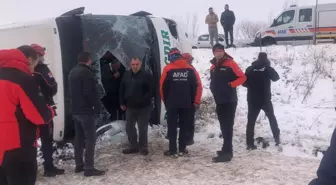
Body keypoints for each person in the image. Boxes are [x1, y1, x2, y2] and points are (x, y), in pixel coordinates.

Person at [0, 46, 55, 185]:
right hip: (18, 148)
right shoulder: (22, 79)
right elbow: (40, 116)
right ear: (29, 61)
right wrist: (50, 110)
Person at [160, 48, 202, 157]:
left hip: (172, 103)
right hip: (186, 103)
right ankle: (182, 148)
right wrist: (194, 101)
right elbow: (197, 86)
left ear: (171, 57)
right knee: (184, 126)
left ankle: (173, 150)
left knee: (172, 126)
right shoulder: (190, 69)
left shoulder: (168, 69)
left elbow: (162, 87)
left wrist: (166, 101)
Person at [68, 52, 105, 177]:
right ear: (89, 60)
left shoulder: (72, 72)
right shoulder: (87, 73)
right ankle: (89, 168)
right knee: (90, 139)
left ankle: (79, 165)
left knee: (78, 139)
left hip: (75, 110)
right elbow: (89, 92)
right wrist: (96, 106)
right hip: (86, 111)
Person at [31, 44, 65, 177]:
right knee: (47, 140)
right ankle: (49, 168)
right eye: (42, 54)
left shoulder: (24, 70)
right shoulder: (41, 70)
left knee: (31, 141)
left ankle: (32, 169)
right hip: (45, 110)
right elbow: (52, 86)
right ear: (38, 56)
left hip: (30, 110)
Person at [209, 43, 246, 162]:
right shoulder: (213, 67)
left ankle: (228, 153)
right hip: (219, 100)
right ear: (213, 53)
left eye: (220, 51)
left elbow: (242, 77)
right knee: (223, 126)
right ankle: (225, 148)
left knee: (228, 126)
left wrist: (231, 85)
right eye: (216, 51)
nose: (218, 53)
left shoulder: (231, 63)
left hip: (229, 100)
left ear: (223, 52)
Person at [243, 52, 281, 149]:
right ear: (266, 59)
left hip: (252, 99)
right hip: (265, 99)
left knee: (251, 121)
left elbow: (243, 82)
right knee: (272, 119)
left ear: (258, 58)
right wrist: (268, 68)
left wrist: (252, 86)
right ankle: (277, 139)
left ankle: (249, 143)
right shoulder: (267, 69)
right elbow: (276, 78)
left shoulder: (250, 68)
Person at [119, 57, 153, 155]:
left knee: (142, 127)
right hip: (130, 106)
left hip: (143, 107)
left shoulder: (146, 75)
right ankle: (133, 146)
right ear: (130, 65)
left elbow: (151, 91)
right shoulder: (126, 74)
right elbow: (121, 88)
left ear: (140, 64)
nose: (135, 66)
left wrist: (143, 99)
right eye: (133, 64)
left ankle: (143, 147)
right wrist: (121, 102)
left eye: (136, 64)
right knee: (129, 127)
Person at [182, 53, 202, 146]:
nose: (190, 61)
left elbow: (199, 86)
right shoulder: (184, 69)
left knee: (189, 120)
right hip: (186, 100)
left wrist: (196, 101)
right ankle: (185, 137)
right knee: (185, 120)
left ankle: (189, 138)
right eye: (190, 59)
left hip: (191, 101)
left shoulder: (192, 70)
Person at [101, 51, 126, 121]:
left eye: (119, 66)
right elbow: (105, 81)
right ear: (113, 65)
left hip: (119, 96)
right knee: (112, 113)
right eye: (117, 66)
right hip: (109, 96)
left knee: (120, 113)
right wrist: (113, 77)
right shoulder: (105, 68)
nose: (118, 67)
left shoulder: (121, 70)